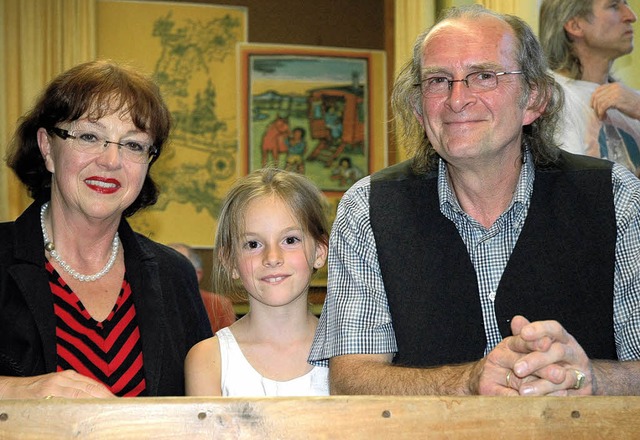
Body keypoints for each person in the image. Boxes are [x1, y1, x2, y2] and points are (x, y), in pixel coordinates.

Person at [309, 5, 640, 396]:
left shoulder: (615, 198)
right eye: (437, 80)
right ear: (418, 108)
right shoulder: (368, 209)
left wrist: (592, 379)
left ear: (534, 99)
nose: (456, 99)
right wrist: (465, 382)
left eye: (483, 76)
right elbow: (351, 380)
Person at [0, 60, 212, 399]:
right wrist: (13, 392)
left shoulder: (175, 276)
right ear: (46, 147)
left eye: (133, 145)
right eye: (89, 136)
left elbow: (203, 414)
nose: (111, 161)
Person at [184, 168, 330, 396]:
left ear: (320, 252)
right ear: (230, 262)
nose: (272, 258)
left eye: (290, 240)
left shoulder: (347, 354)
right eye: (253, 244)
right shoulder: (209, 360)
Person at [540, 0, 640, 175]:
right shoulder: (551, 99)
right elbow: (572, 190)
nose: (631, 17)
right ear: (575, 25)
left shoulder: (631, 101)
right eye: (614, 6)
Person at [168, 242, 236, 333]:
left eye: (177, 268)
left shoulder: (218, 305)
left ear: (197, 275)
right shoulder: (147, 303)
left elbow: (225, 344)